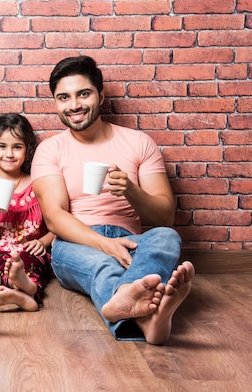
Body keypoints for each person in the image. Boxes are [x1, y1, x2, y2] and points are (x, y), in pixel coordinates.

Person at [31, 56, 195, 344]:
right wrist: (105, 244)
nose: (74, 105)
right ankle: (144, 316)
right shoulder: (50, 150)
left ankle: (140, 318)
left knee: (167, 237)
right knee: (103, 265)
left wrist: (131, 190)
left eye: (83, 93)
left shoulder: (138, 143)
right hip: (74, 242)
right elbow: (54, 218)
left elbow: (164, 216)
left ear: (101, 95)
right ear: (56, 103)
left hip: (131, 240)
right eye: (63, 97)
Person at [0, 114, 54, 312]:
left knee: (31, 261)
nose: (9, 153)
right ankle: (26, 293)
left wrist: (42, 242)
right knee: (1, 264)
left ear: (27, 151)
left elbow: (58, 224)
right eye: (2, 146)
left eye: (17, 147)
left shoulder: (38, 183)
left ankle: (22, 288)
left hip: (29, 251)